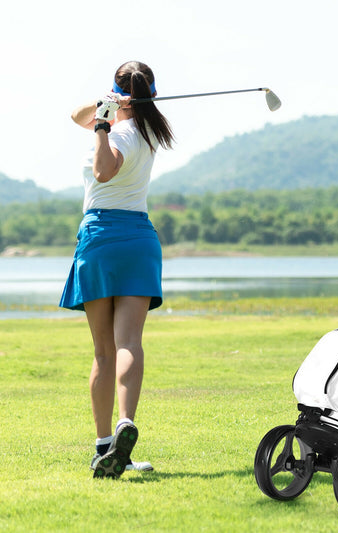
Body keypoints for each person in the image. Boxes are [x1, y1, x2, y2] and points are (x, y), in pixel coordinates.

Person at [60, 61, 174, 478]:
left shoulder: (120, 132)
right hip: (139, 241)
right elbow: (76, 114)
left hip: (102, 239)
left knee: (104, 352)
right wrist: (103, 106)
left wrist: (103, 125)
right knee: (129, 343)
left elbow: (103, 170)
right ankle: (125, 424)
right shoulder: (149, 132)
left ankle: (105, 444)